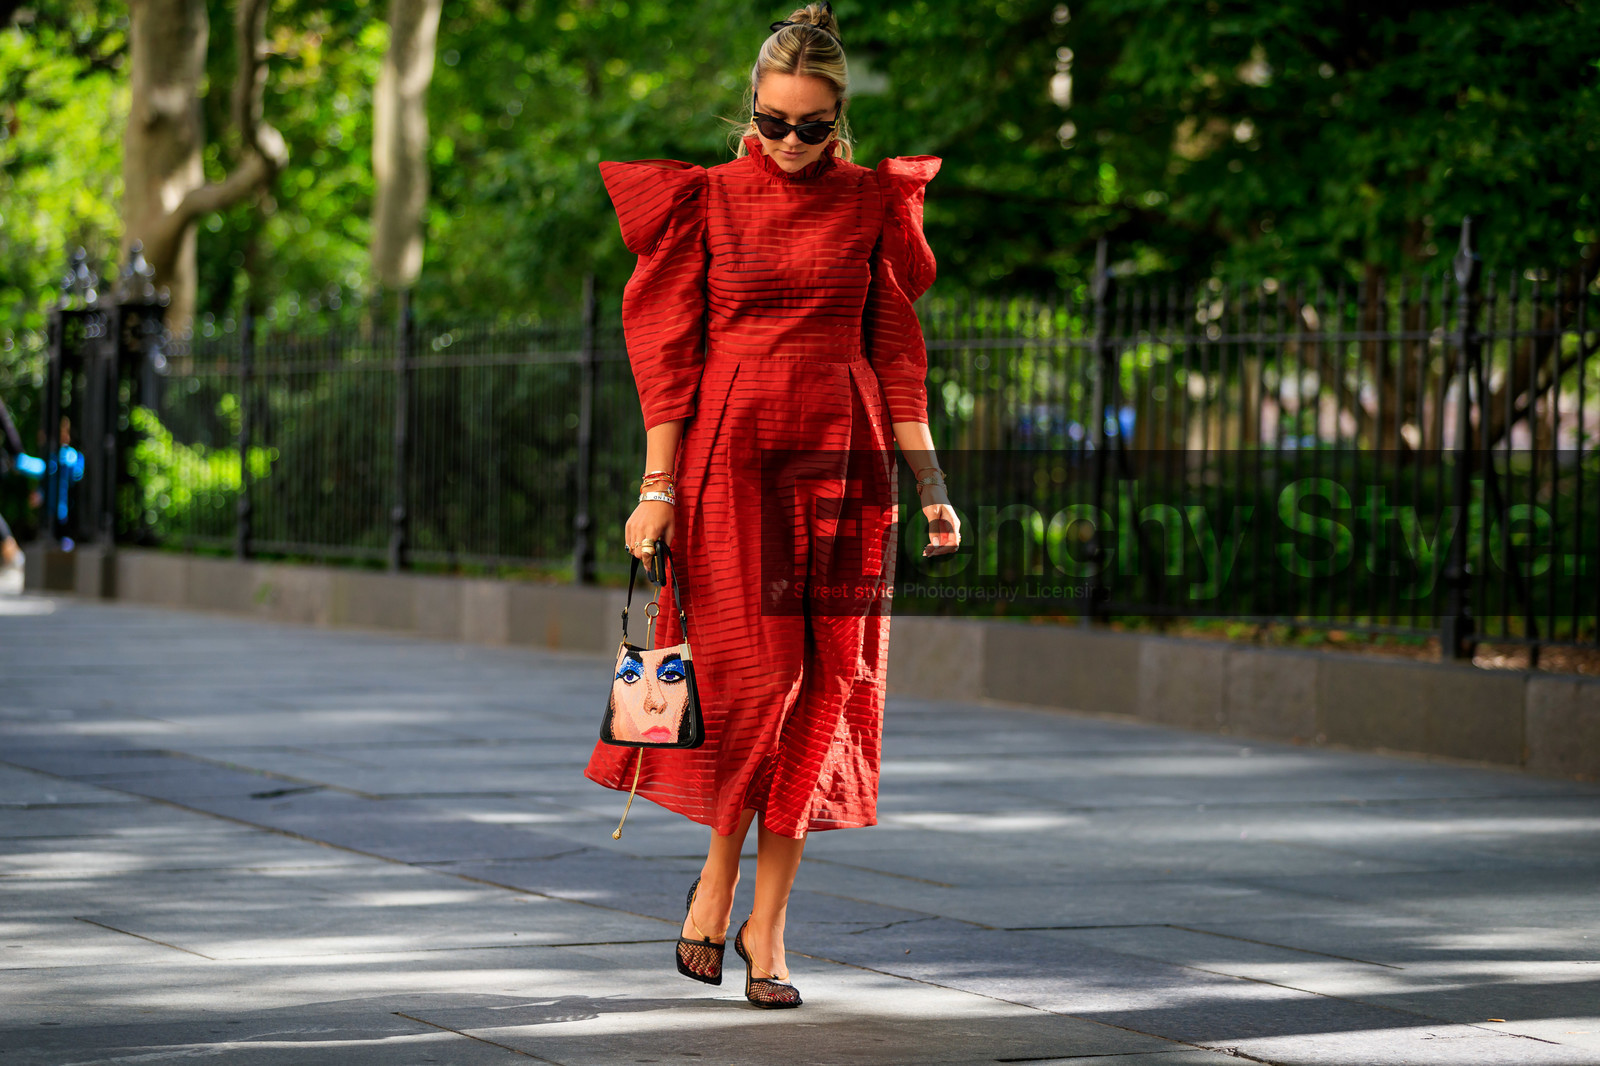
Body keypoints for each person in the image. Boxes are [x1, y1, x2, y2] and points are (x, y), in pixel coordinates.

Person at [584, 2, 961, 1009]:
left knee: (825, 686)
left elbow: (897, 356)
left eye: (813, 127)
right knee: (760, 681)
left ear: (841, 120)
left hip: (845, 456)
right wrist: (654, 489)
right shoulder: (704, 198)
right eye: (775, 120)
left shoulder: (873, 204)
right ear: (750, 106)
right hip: (730, 452)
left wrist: (930, 486)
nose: (791, 144)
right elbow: (667, 356)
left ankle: (771, 923)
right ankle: (715, 878)